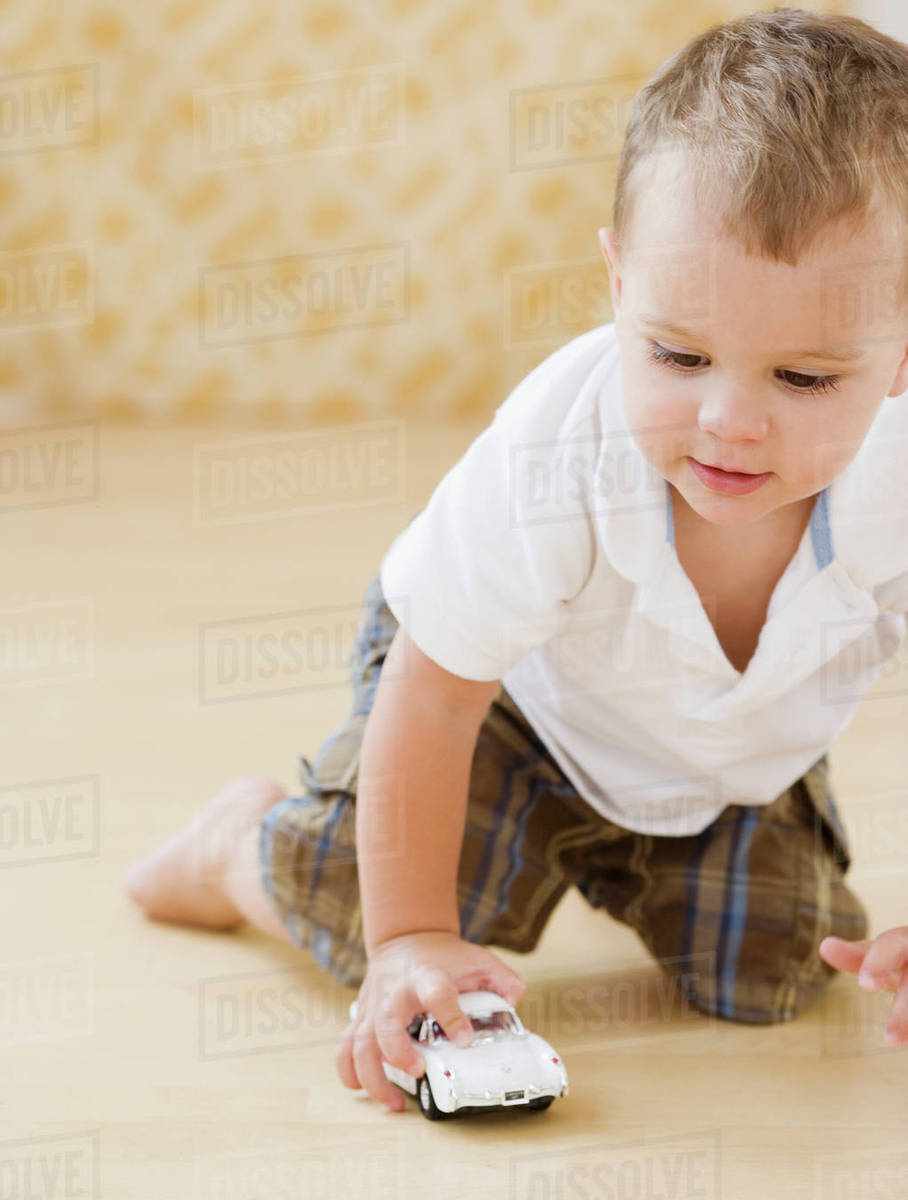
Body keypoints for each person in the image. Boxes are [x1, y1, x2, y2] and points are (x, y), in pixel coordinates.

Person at [123, 7, 908, 1113]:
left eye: (803, 378)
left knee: (779, 966)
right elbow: (435, 694)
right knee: (363, 906)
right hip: (500, 707)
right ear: (619, 284)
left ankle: (639, 860)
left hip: (718, 753)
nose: (728, 422)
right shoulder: (557, 455)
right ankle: (236, 851)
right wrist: (408, 938)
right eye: (677, 354)